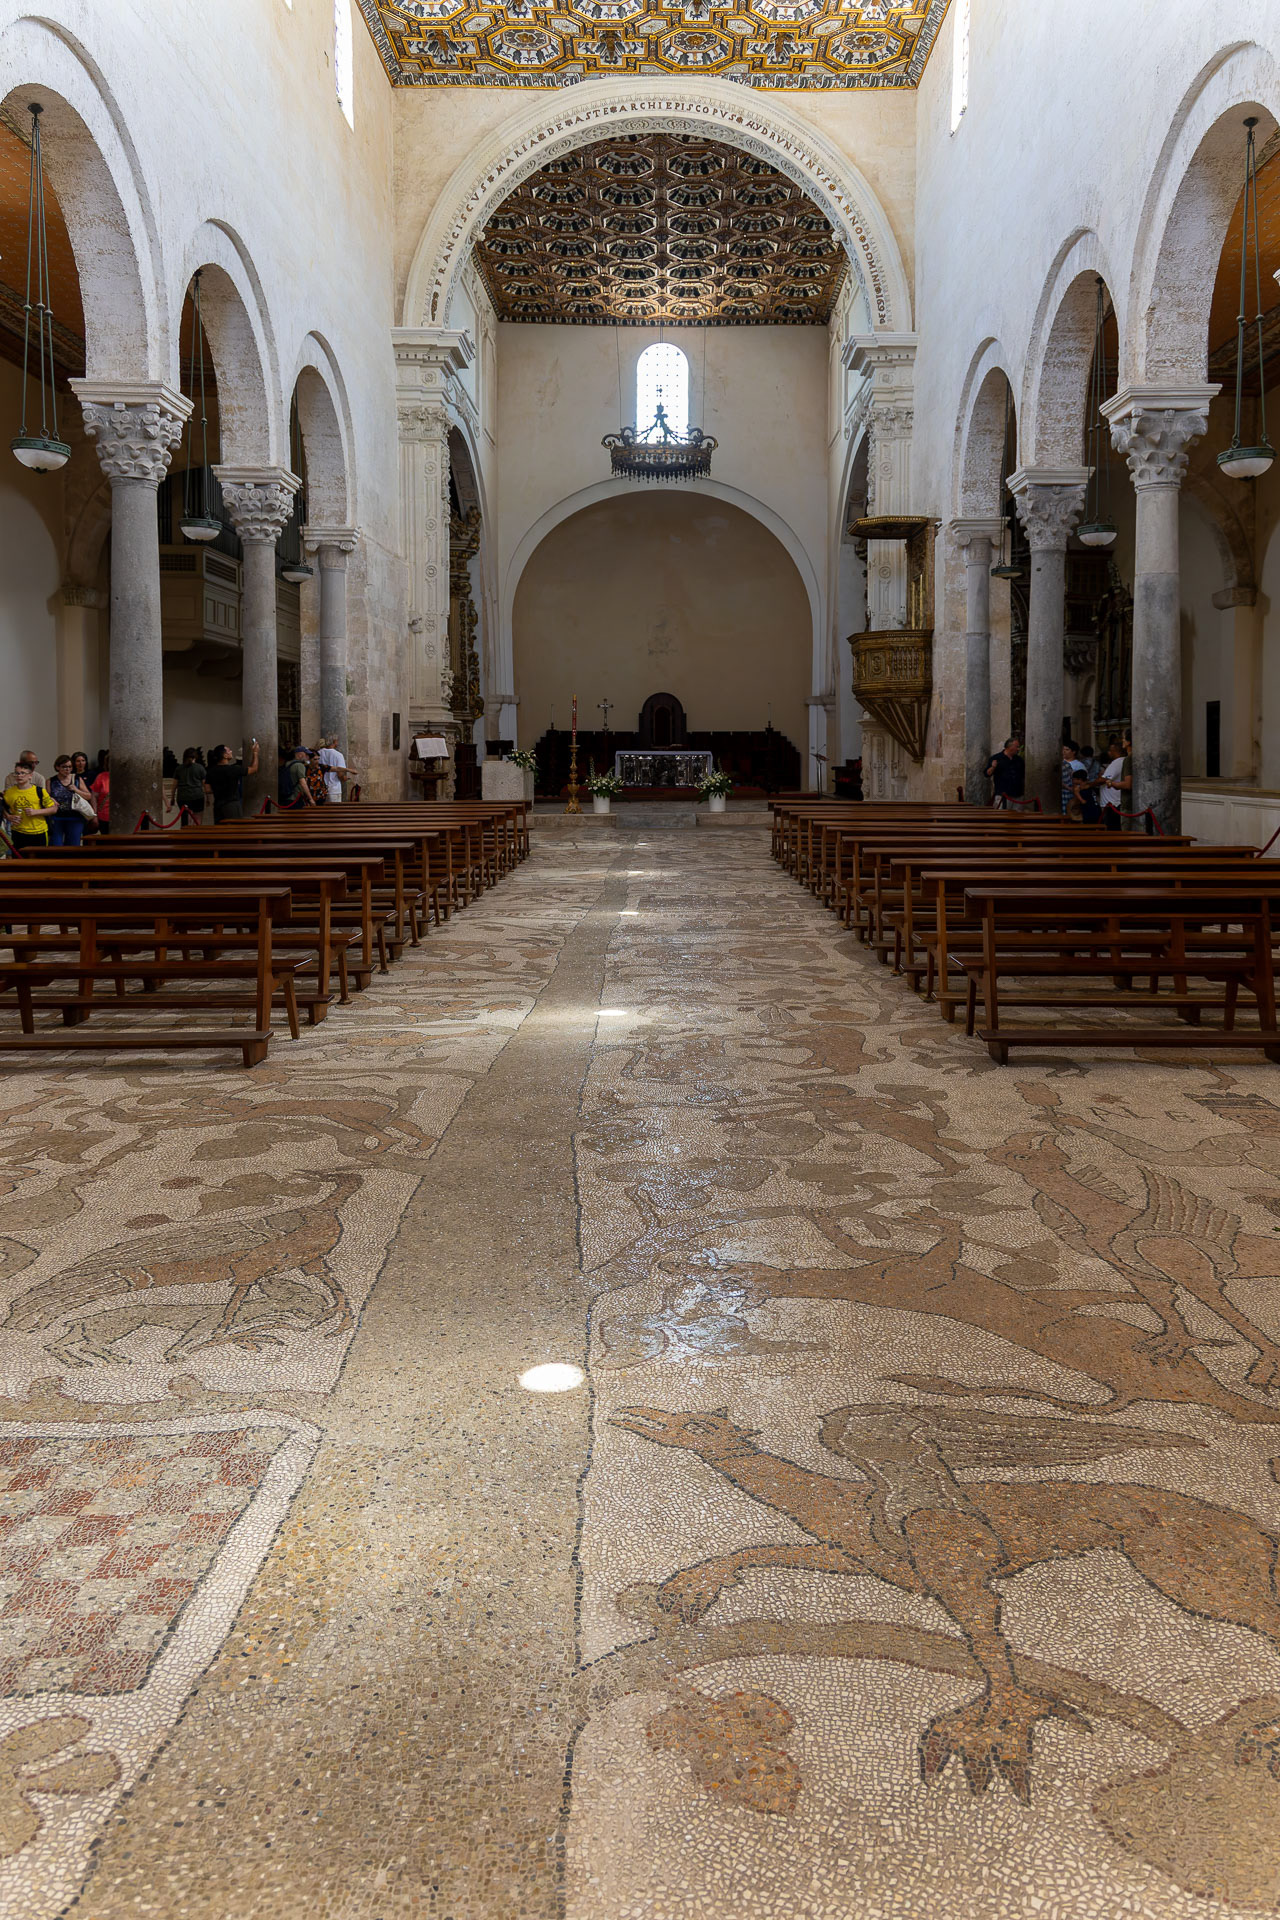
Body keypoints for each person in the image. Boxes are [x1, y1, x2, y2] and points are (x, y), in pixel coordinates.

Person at [3, 761, 55, 852]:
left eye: (23, 773)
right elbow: (2, 808)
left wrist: (36, 812)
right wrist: (9, 816)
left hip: (39, 832)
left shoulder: (40, 791)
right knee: (19, 862)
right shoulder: (9, 792)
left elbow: (54, 809)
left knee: (39, 861)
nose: (19, 776)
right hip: (18, 832)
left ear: (30, 775)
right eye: (17, 773)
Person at [204, 740, 258, 822]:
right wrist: (255, 752)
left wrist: (219, 789)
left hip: (218, 805)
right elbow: (254, 769)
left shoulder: (211, 771)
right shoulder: (233, 769)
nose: (231, 751)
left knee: (220, 831)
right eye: (229, 750)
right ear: (224, 755)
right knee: (235, 830)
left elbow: (207, 790)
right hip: (231, 804)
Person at [47, 754, 94, 847]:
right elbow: (47, 797)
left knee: (73, 845)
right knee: (56, 844)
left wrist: (76, 790)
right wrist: (51, 799)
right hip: (57, 818)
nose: (67, 769)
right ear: (57, 767)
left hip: (75, 817)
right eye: (64, 767)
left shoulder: (77, 779)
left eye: (69, 767)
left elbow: (89, 796)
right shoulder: (51, 781)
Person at [1098, 732, 1130, 831]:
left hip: (1113, 803)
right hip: (1116, 801)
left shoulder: (1118, 762)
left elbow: (1105, 779)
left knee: (1112, 828)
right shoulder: (1123, 760)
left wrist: (1112, 783)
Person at [984, 737, 1024, 806]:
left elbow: (1023, 775)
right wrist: (993, 767)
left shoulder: (1019, 760)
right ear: (1010, 747)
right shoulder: (996, 758)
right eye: (1016, 747)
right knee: (1002, 816)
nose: (1018, 749)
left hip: (1018, 795)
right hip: (1002, 795)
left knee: (1018, 816)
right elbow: (987, 774)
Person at [314, 734, 350, 805]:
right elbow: (340, 774)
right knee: (334, 813)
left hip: (319, 788)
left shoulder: (318, 753)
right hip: (334, 789)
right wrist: (344, 778)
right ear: (335, 741)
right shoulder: (338, 755)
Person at [175, 747, 207, 822]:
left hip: (183, 796)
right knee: (197, 818)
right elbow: (204, 784)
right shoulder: (200, 768)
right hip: (197, 795)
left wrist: (172, 797)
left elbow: (174, 784)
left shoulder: (179, 768)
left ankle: (186, 833)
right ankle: (197, 833)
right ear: (195, 757)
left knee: (186, 819)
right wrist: (207, 797)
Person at [1060, 740, 1088, 820]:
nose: (1064, 752)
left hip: (1072, 794)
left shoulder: (1079, 765)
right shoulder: (1061, 763)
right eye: (1063, 749)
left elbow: (1083, 782)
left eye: (1067, 750)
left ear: (1074, 752)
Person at [90, 751, 110, 833]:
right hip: (104, 816)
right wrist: (94, 815)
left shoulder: (125, 777)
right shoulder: (101, 777)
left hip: (122, 817)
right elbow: (94, 796)